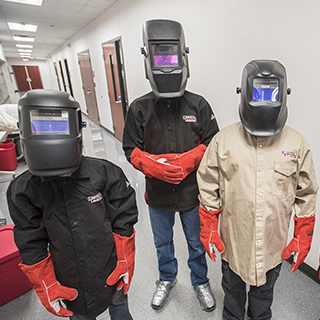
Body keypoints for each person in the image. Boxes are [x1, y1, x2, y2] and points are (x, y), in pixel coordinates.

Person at [197, 59, 318, 320]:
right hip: (234, 247)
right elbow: (207, 183)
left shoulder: (297, 144)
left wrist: (302, 235)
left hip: (272, 249)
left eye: (271, 91)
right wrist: (208, 226)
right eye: (258, 91)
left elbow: (306, 193)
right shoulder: (223, 141)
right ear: (243, 91)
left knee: (263, 304)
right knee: (232, 298)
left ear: (284, 94)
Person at [6, 89, 138, 320]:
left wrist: (125, 257)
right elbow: (30, 240)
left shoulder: (105, 173)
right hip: (69, 280)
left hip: (111, 268)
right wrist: (44, 282)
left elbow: (124, 219)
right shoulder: (23, 190)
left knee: (119, 309)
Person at [122, 19, 219, 312]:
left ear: (183, 56)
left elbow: (214, 143)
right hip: (159, 196)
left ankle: (200, 282)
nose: (165, 63)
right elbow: (130, 148)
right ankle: (166, 278)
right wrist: (151, 165)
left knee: (195, 242)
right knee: (162, 243)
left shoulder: (198, 105)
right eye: (159, 56)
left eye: (170, 56)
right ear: (148, 60)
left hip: (193, 194)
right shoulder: (139, 108)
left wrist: (191, 159)